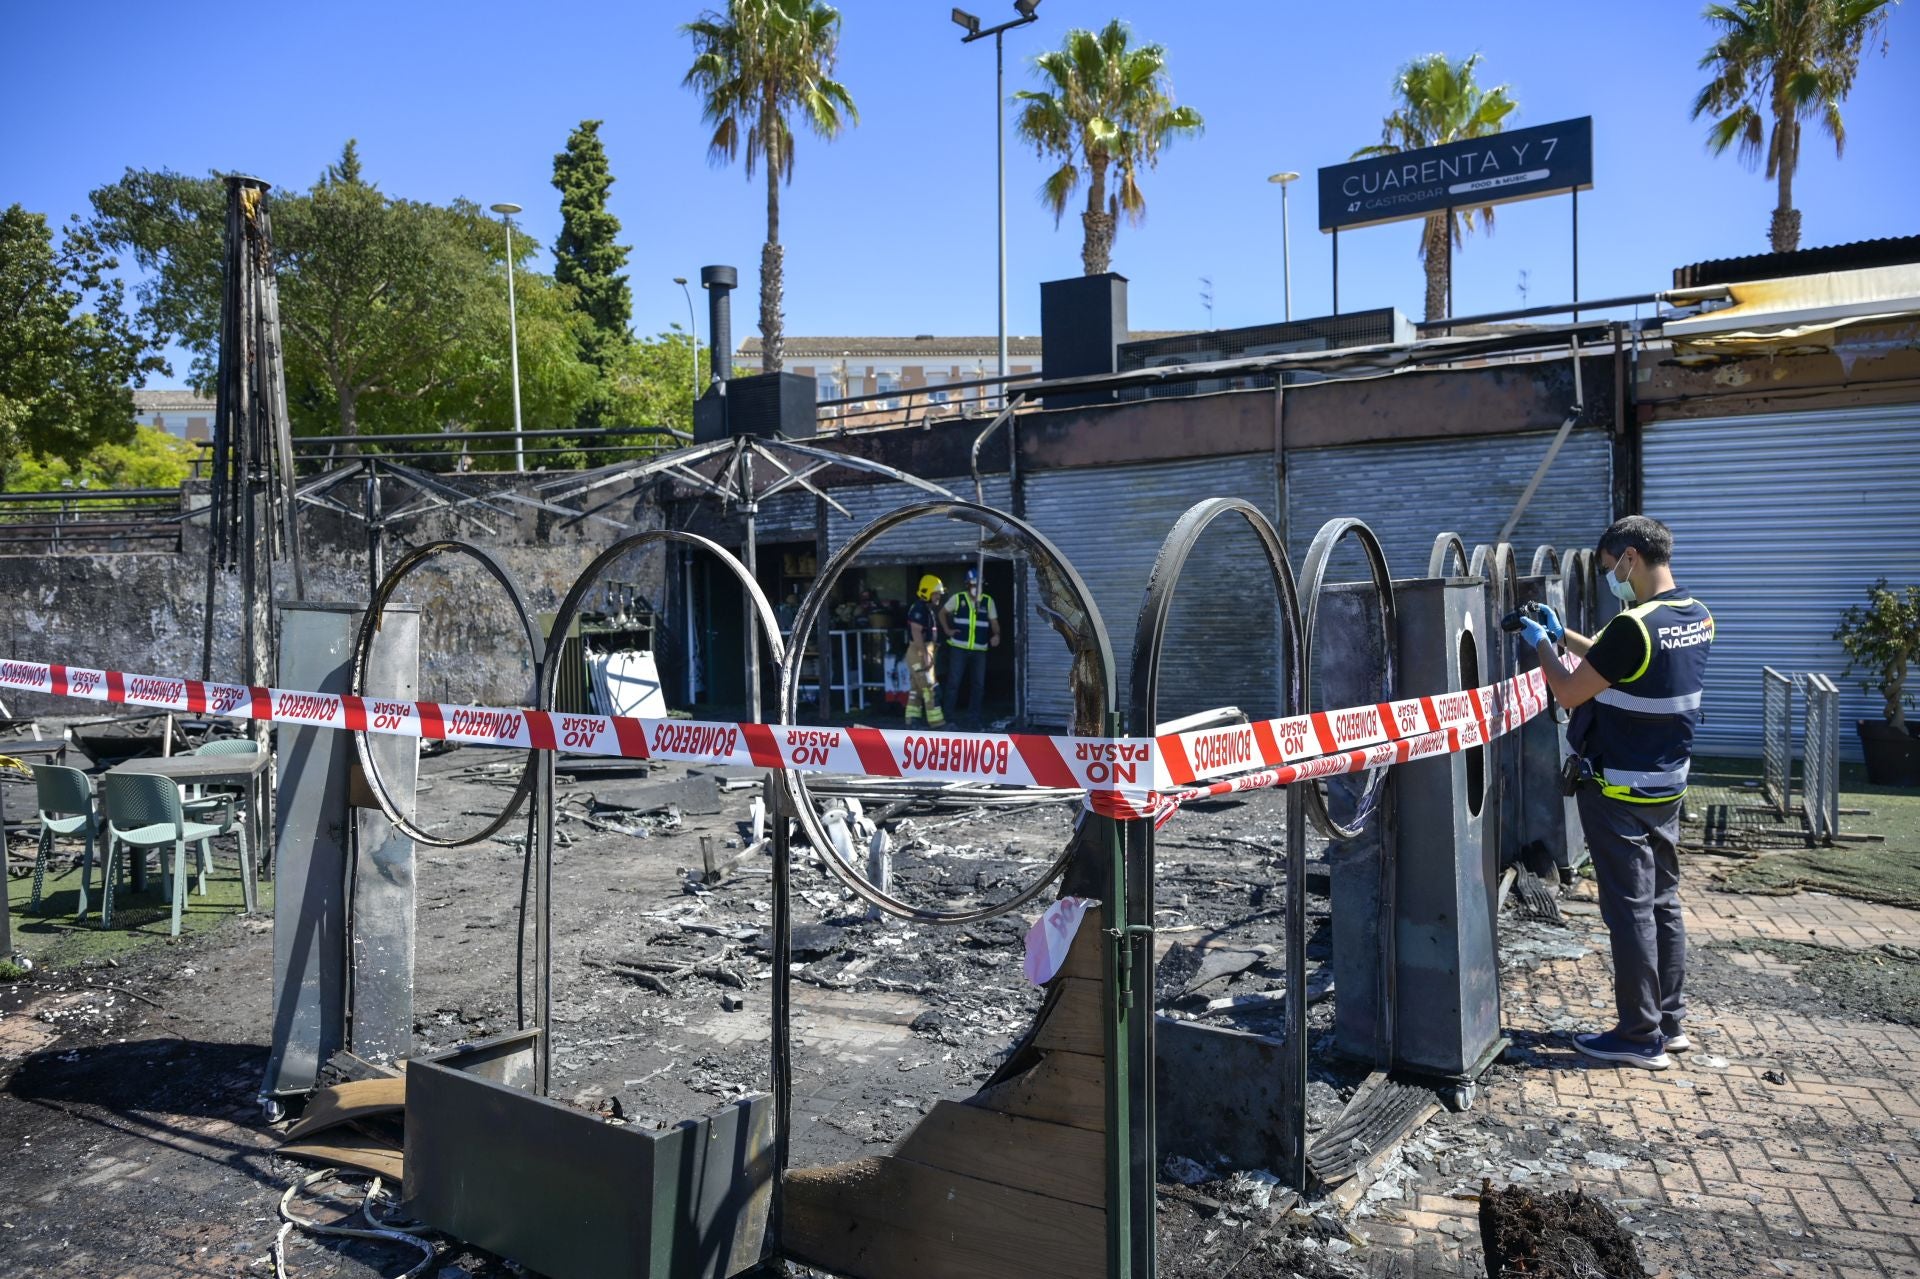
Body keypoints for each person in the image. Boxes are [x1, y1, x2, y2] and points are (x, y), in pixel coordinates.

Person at [1523, 515, 1714, 1072]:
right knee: (1663, 904)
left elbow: (1569, 689)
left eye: (1610, 569)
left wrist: (1542, 649)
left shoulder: (1635, 625)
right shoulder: (1697, 617)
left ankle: (1638, 1036)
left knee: (1629, 912)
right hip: (1667, 787)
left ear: (1629, 557)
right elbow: (1623, 665)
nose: (1612, 579)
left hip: (1618, 791)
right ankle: (1669, 1024)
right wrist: (1565, 636)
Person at [940, 568, 1001, 729]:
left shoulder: (988, 601)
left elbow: (994, 622)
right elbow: (942, 613)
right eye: (973, 584)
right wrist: (947, 630)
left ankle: (973, 719)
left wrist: (996, 635)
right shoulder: (958, 598)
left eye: (979, 584)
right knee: (953, 683)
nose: (976, 587)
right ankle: (948, 719)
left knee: (978, 685)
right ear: (967, 585)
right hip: (958, 648)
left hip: (979, 650)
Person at [904, 574, 947, 728]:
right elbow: (916, 633)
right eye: (936, 593)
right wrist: (926, 655)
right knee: (930, 687)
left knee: (916, 688)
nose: (938, 597)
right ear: (926, 592)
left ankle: (912, 721)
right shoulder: (919, 609)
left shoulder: (926, 609)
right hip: (918, 651)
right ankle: (937, 723)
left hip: (923, 650)